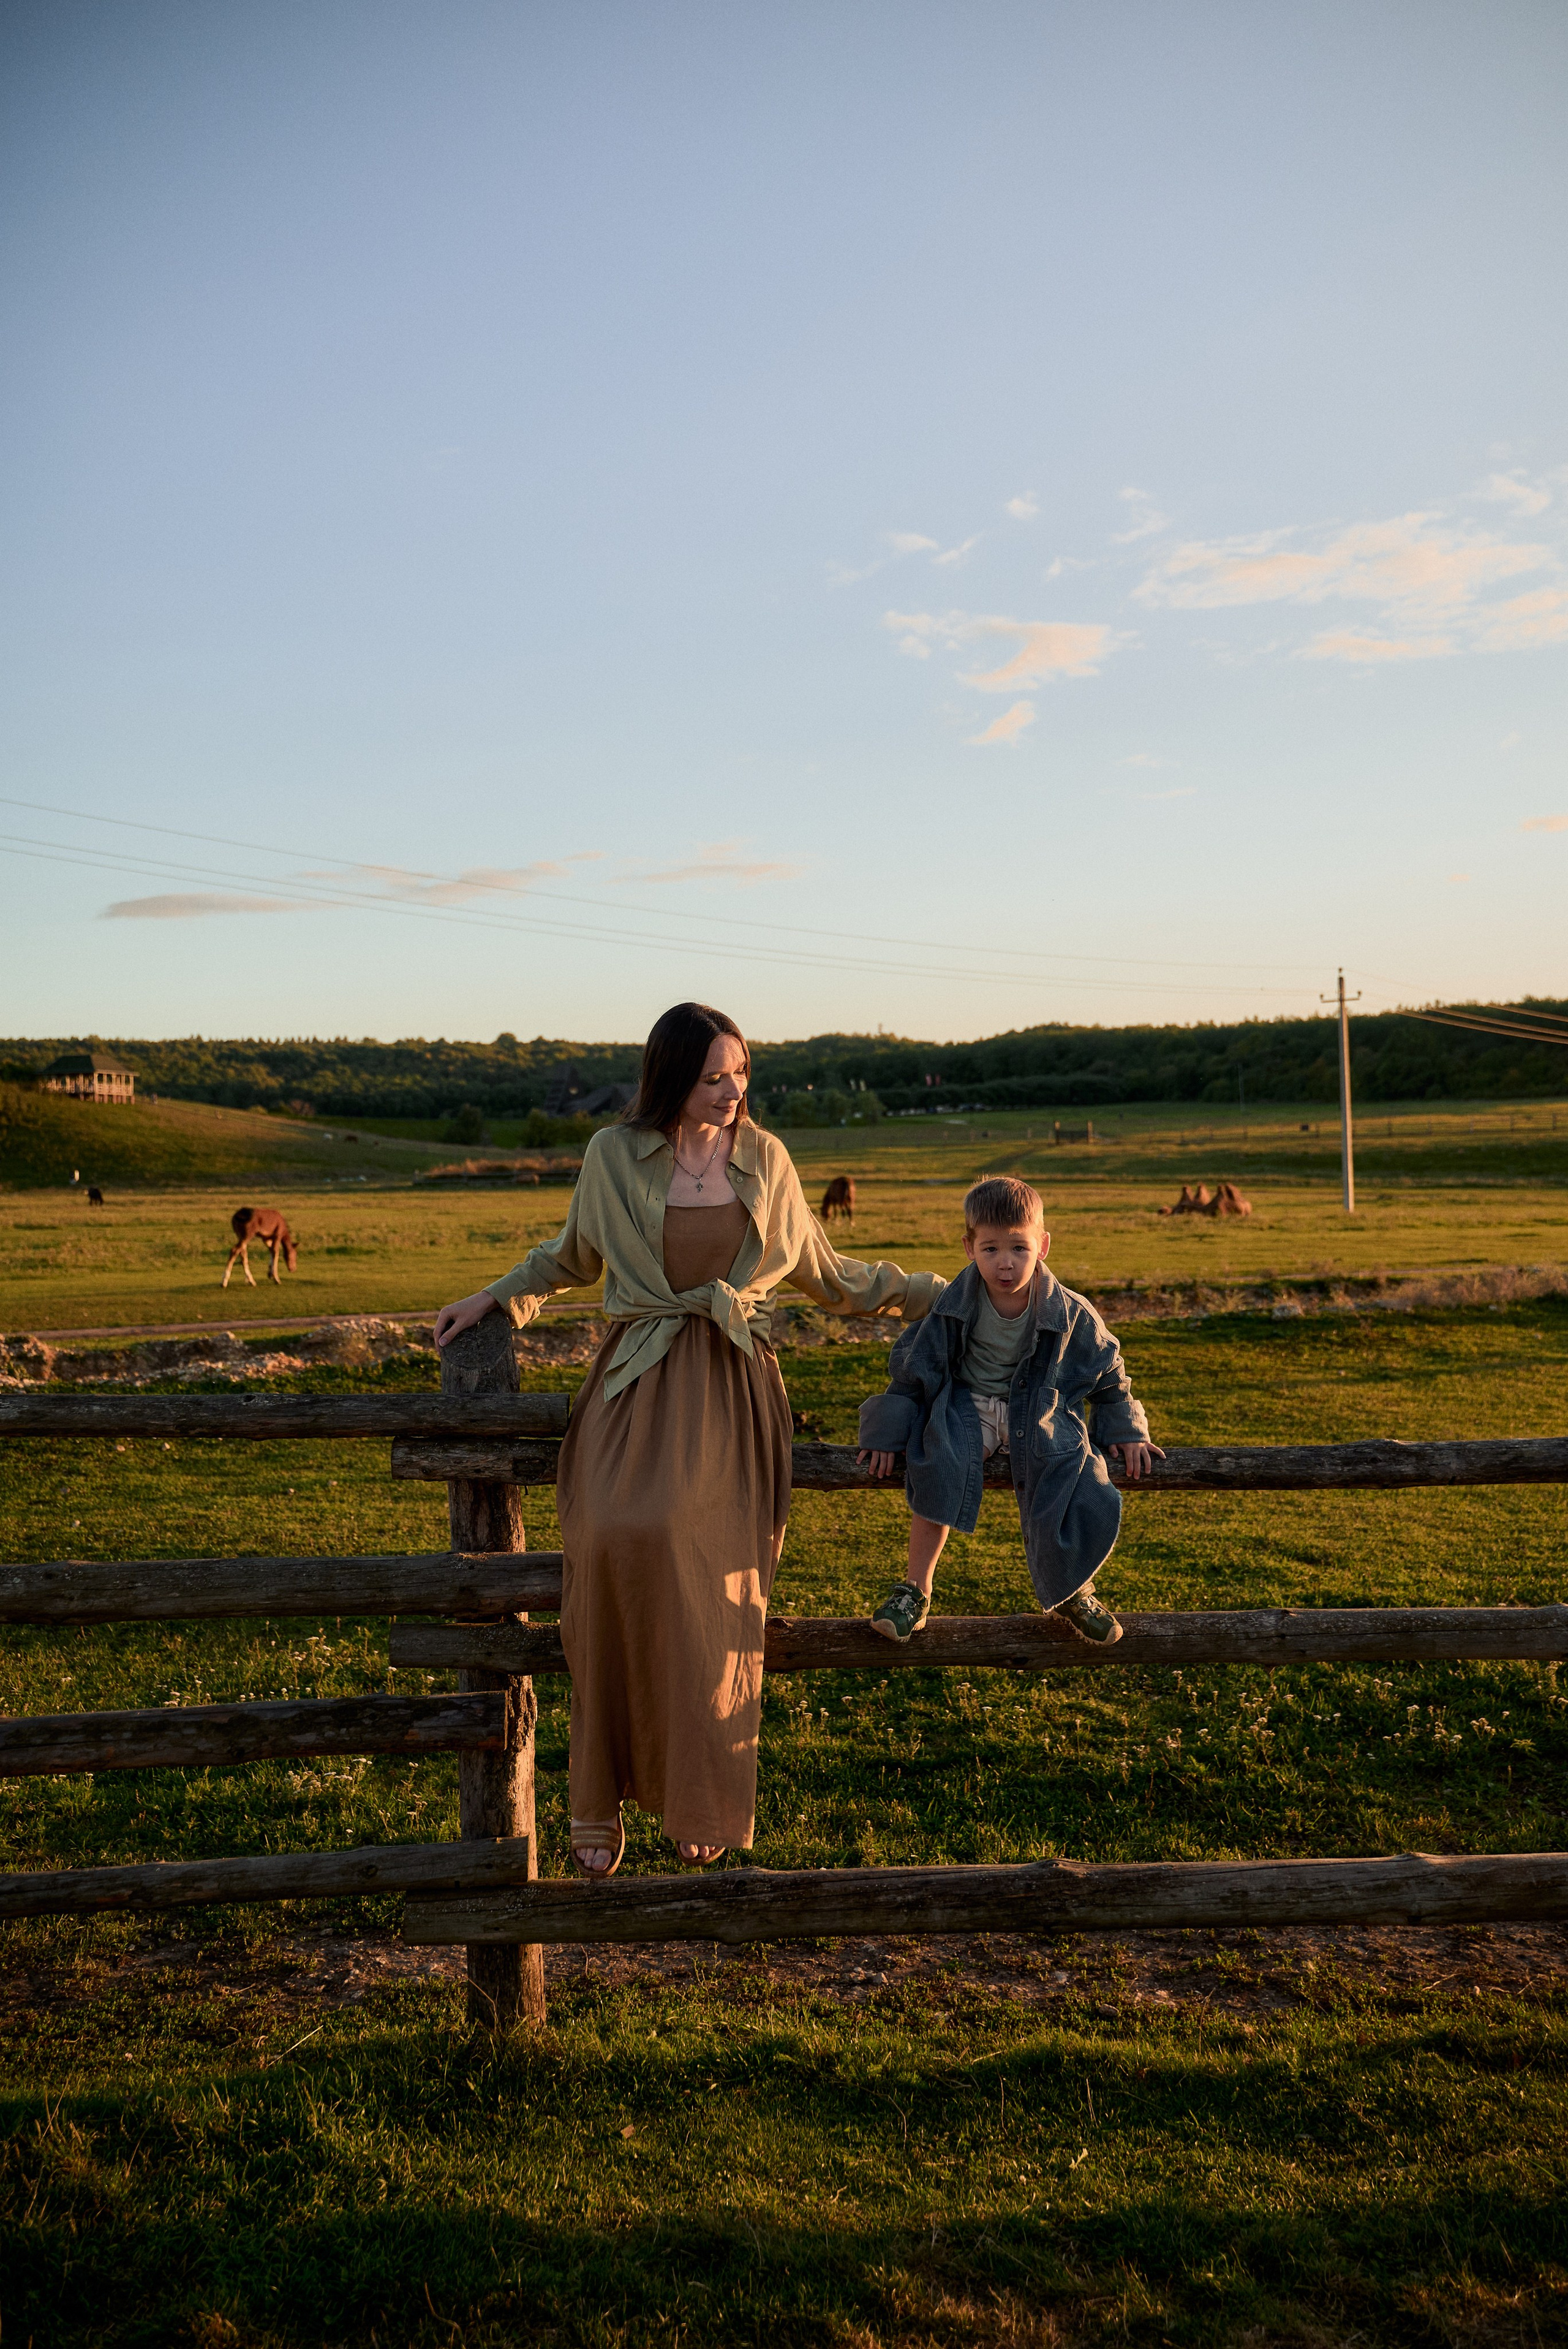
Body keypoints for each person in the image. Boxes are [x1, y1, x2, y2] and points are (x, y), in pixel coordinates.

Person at [435, 1001, 941, 1879]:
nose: (733, 1090)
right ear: (671, 1076)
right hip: (635, 1380)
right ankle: (598, 1794)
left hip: (732, 1385)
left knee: (706, 1571)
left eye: (742, 1072)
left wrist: (953, 1289)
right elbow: (569, 1257)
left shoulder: (768, 1159)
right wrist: (497, 1297)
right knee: (607, 1544)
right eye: (715, 1076)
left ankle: (700, 1794)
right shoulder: (611, 1155)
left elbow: (834, 1275)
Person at [856, 1175, 1161, 1645]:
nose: (1005, 1263)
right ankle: (915, 1590)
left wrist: (1128, 1428)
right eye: (991, 1248)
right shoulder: (952, 1306)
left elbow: (1109, 1372)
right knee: (939, 1460)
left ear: (1043, 1245)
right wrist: (887, 1432)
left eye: (1019, 1248)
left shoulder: (1070, 1310)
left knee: (1068, 1469)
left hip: (1038, 1410)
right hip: (968, 1406)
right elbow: (914, 1366)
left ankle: (1073, 1590)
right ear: (968, 1247)